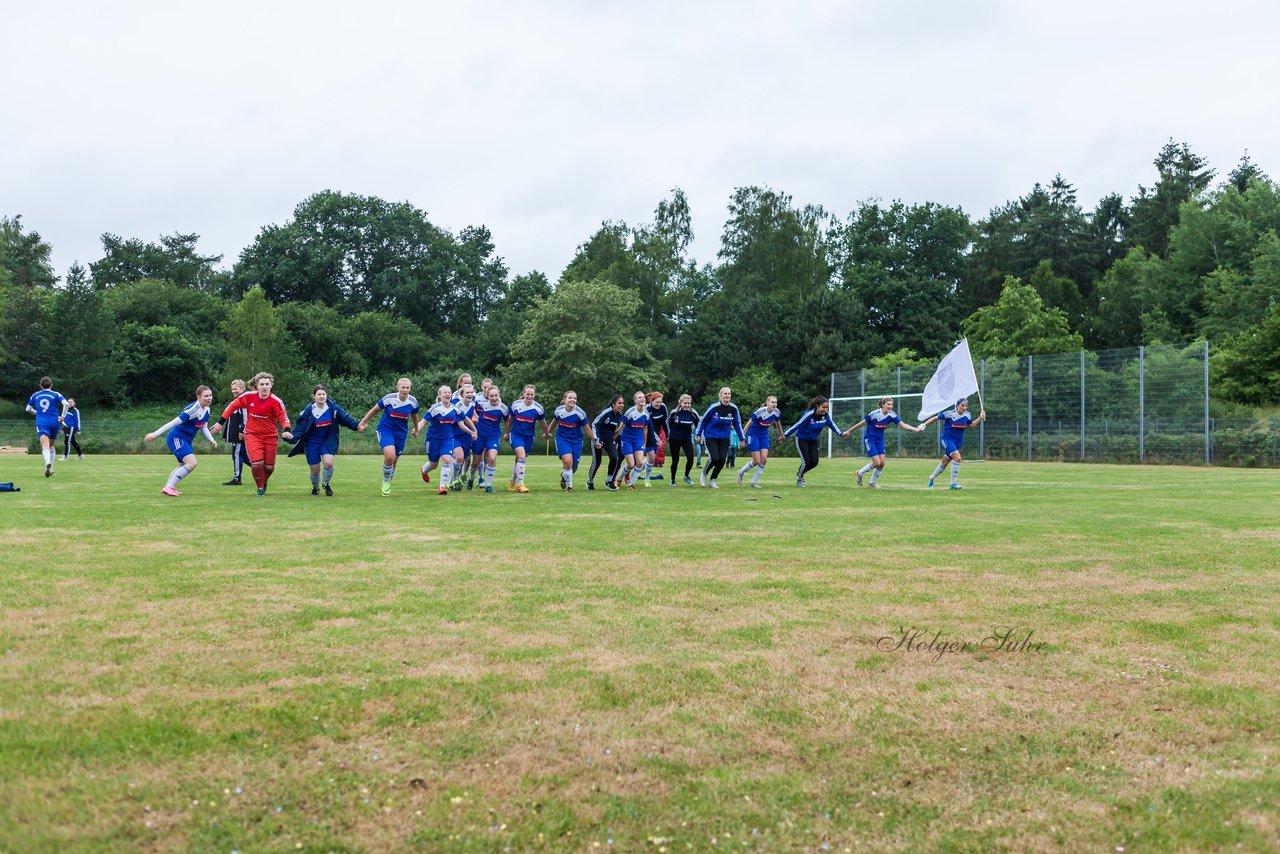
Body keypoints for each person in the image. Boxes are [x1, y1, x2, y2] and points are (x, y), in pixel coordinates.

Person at [285, 384, 365, 496]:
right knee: (315, 470)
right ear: (314, 396)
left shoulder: (333, 408)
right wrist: (291, 437)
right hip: (312, 442)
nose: (321, 396)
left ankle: (326, 484)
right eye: (319, 394)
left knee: (328, 463)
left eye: (323, 394)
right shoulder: (308, 411)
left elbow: (346, 419)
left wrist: (357, 426)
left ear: (326, 396)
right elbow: (300, 429)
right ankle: (315, 488)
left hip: (327, 441)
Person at [220, 373, 292, 496]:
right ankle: (260, 488)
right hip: (252, 435)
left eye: (267, 384)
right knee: (257, 464)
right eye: (262, 384)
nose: (264, 387)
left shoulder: (276, 401)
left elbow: (283, 416)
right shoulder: (248, 396)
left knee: (269, 467)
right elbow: (232, 406)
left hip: (270, 436)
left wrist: (287, 430)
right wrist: (220, 422)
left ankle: (264, 481)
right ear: (257, 386)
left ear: (271, 385)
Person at [145, 385, 222, 496]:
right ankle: (170, 487)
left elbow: (203, 427)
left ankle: (167, 487)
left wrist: (211, 439)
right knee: (192, 463)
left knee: (182, 465)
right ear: (198, 397)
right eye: (206, 396)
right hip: (176, 438)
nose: (209, 398)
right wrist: (155, 434)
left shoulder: (207, 409)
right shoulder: (192, 410)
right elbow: (172, 423)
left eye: (210, 395)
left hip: (186, 440)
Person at [356, 378, 421, 496]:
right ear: (398, 387)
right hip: (385, 430)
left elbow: (414, 416)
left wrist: (416, 430)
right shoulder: (389, 398)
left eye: (407, 388)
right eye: (403, 387)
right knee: (390, 456)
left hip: (401, 433)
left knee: (394, 461)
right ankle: (386, 483)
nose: (405, 390)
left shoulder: (413, 402)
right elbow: (374, 410)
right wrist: (362, 422)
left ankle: (387, 483)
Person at [844, 397, 924, 488]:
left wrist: (915, 429)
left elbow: (903, 425)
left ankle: (871, 483)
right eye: (888, 404)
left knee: (882, 463)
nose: (890, 406)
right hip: (870, 439)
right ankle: (859, 473)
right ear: (882, 405)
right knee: (877, 463)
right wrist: (849, 431)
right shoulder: (874, 414)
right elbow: (860, 423)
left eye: (891, 404)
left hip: (879, 440)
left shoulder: (892, 415)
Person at [919, 398, 986, 490]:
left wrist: (980, 418)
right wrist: (924, 425)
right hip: (947, 439)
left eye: (966, 406)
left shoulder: (968, 415)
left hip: (957, 442)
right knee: (957, 458)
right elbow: (935, 418)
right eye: (962, 405)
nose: (964, 408)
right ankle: (953, 484)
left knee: (945, 462)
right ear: (957, 406)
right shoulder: (949, 414)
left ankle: (932, 477)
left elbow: (971, 426)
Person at [783, 396, 844, 487]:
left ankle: (800, 472)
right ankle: (800, 479)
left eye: (826, 407)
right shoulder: (808, 415)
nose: (825, 409)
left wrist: (841, 434)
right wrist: (785, 435)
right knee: (806, 462)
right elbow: (797, 425)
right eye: (823, 407)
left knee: (814, 462)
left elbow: (832, 425)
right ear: (817, 406)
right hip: (801, 439)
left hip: (813, 440)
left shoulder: (826, 415)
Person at [695, 387, 745, 489]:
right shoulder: (714, 407)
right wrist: (698, 434)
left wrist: (742, 438)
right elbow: (703, 421)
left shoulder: (734, 408)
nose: (727, 396)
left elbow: (737, 423)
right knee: (714, 458)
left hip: (725, 437)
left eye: (729, 394)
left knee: (722, 460)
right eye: (725, 393)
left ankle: (712, 480)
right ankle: (704, 474)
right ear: (720, 395)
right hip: (710, 436)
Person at [546, 390, 594, 492]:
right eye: (570, 398)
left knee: (573, 467)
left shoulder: (580, 413)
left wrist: (595, 440)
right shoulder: (559, 411)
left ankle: (564, 475)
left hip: (576, 441)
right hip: (562, 439)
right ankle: (570, 487)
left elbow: (587, 429)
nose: (573, 400)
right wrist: (547, 433)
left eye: (575, 398)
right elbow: (554, 423)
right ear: (564, 400)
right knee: (568, 462)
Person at [504, 385, 545, 493]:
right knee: (522, 457)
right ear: (523, 394)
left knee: (519, 459)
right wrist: (507, 433)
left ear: (534, 395)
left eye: (532, 394)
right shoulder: (516, 405)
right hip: (516, 435)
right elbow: (510, 420)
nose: (529, 396)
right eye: (527, 394)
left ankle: (512, 481)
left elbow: (542, 422)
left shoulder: (538, 408)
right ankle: (521, 484)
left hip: (529, 437)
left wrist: (546, 433)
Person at [421, 386, 461, 495]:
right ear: (439, 395)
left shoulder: (454, 408)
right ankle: (424, 470)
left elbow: (465, 419)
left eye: (449, 392)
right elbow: (423, 421)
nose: (447, 394)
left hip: (447, 439)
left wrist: (473, 431)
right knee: (433, 464)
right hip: (432, 440)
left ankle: (442, 487)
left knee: (447, 460)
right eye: (445, 392)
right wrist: (416, 430)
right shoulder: (434, 408)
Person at [737, 396, 785, 488]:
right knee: (756, 461)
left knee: (764, 459)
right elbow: (748, 424)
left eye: (776, 402)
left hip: (763, 435)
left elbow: (778, 424)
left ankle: (754, 483)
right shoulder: (760, 412)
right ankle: (740, 472)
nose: (774, 404)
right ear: (767, 403)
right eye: (772, 402)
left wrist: (782, 436)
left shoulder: (777, 412)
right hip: (753, 434)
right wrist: (742, 438)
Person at [25, 376, 68, 478]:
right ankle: (50, 468)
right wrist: (63, 417)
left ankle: (47, 462)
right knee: (51, 445)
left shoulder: (35, 395)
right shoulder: (56, 394)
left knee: (45, 446)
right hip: (54, 422)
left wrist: (37, 413)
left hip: (42, 422)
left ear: (40, 385)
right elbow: (66, 404)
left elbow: (28, 409)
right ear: (51, 385)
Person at [468, 385, 508, 493]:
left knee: (492, 457)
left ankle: (489, 485)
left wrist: (507, 432)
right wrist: (475, 417)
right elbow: (471, 409)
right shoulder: (481, 404)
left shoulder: (503, 408)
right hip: (480, 435)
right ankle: (471, 479)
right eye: (491, 396)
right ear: (487, 396)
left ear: (499, 395)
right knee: (475, 462)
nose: (494, 398)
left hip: (493, 436)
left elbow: (506, 421)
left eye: (496, 395)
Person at [588, 395, 625, 491]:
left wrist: (613, 438)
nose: (621, 405)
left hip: (608, 439)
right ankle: (590, 481)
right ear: (613, 404)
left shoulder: (619, 415)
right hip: (598, 437)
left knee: (614, 457)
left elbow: (612, 430)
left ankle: (609, 481)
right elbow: (594, 425)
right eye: (619, 403)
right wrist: (596, 440)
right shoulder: (606, 412)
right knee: (597, 462)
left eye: (622, 403)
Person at [448, 384, 480, 491]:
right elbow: (461, 424)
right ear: (462, 394)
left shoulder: (472, 404)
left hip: (466, 437)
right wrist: (472, 432)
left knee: (463, 459)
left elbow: (470, 419)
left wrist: (475, 430)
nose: (470, 394)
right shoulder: (458, 406)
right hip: (455, 436)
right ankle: (453, 481)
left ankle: (452, 481)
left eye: (471, 392)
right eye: (467, 392)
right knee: (459, 457)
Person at [617, 391, 650, 490]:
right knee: (631, 464)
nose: (642, 399)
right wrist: (614, 437)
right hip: (626, 439)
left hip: (638, 439)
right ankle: (618, 479)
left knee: (639, 463)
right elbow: (621, 427)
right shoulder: (630, 412)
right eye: (639, 397)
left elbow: (645, 428)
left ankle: (631, 484)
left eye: (643, 397)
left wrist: (645, 442)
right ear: (635, 400)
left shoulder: (646, 413)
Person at [666, 394, 701, 486]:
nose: (687, 405)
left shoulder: (693, 413)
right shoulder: (674, 412)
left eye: (689, 403)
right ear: (680, 403)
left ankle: (686, 476)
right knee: (675, 460)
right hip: (674, 439)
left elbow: (699, 424)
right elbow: (668, 424)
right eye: (685, 403)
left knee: (690, 458)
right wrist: (668, 435)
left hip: (686, 439)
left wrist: (698, 434)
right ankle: (673, 479)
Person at [221, 379, 246, 485]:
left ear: (242, 388)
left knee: (236, 455)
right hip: (236, 434)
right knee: (244, 456)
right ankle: (261, 469)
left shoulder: (243, 400)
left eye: (236, 389)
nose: (234, 391)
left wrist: (241, 430)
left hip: (239, 435)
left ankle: (237, 478)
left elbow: (245, 417)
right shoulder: (236, 400)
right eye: (232, 389)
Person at [642, 392, 669, 487]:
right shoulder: (647, 409)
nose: (659, 404)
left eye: (660, 402)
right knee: (652, 458)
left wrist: (667, 434)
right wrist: (656, 439)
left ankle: (634, 471)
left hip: (656, 436)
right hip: (647, 436)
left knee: (650, 459)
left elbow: (665, 422)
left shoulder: (663, 407)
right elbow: (648, 427)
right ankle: (647, 479)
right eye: (657, 402)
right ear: (651, 401)